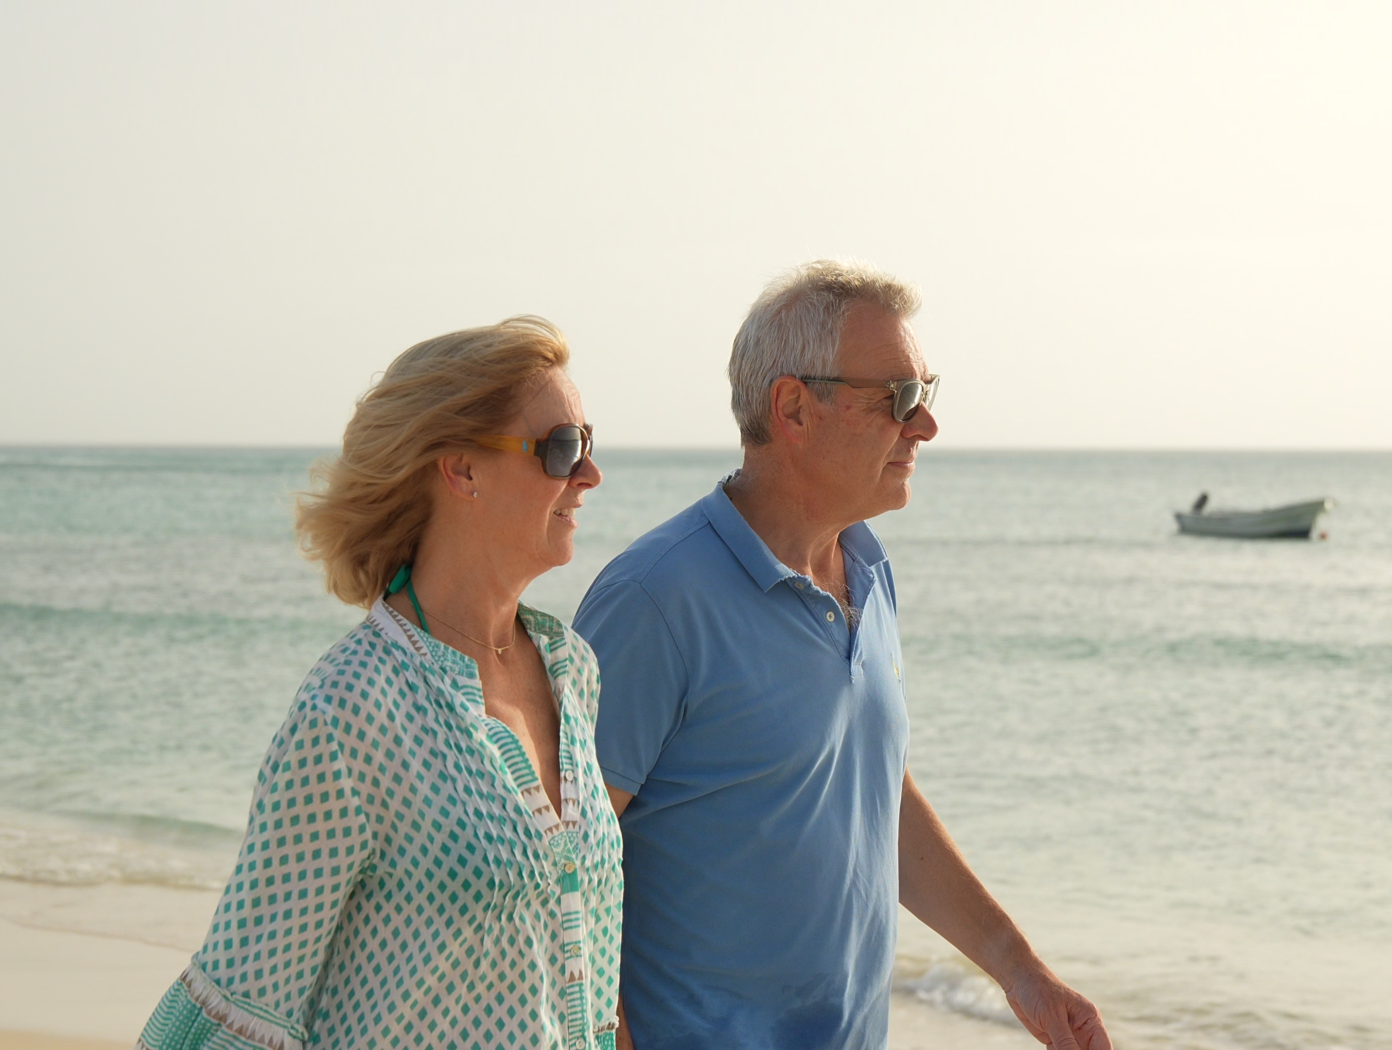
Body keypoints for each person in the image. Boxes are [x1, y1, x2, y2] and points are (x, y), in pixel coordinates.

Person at [573, 261, 1112, 1050]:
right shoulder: (654, 601)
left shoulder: (869, 571)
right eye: (899, 399)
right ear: (793, 407)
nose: (924, 426)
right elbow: (566, 880)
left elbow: (872, 793)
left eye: (927, 395)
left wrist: (1020, 971)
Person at [136, 317, 626, 1050]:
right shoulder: (353, 709)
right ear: (461, 470)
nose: (589, 475)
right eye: (559, 449)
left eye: (586, 444)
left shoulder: (571, 671)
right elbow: (248, 996)